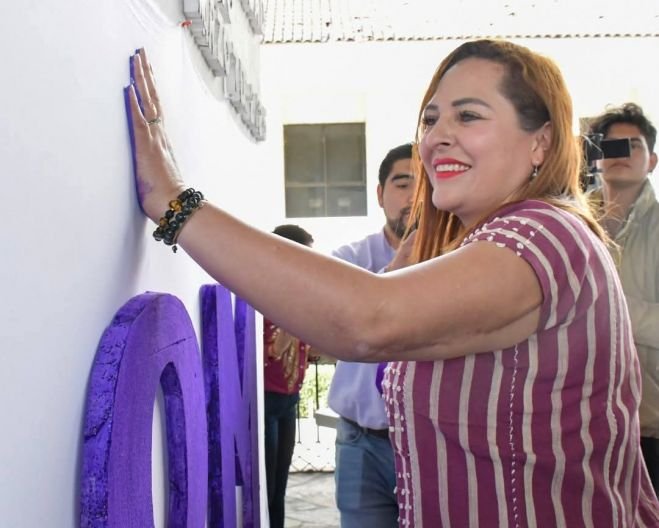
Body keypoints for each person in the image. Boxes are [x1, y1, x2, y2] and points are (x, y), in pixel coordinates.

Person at [125, 40, 659, 526]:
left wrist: (175, 204)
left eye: (468, 115)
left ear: (540, 142)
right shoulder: (480, 243)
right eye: (430, 120)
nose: (437, 137)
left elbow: (366, 320)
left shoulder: (541, 233)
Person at [328, 143, 414, 528]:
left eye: (426, 184)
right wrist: (402, 265)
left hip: (431, 444)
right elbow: (336, 324)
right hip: (361, 442)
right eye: (402, 183)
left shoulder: (462, 258)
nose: (415, 197)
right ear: (380, 195)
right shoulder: (349, 259)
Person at [588, 103, 659, 497]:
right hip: (584, 424)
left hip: (651, 423)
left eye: (632, 146)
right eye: (609, 147)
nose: (621, 155)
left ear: (652, 161)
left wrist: (614, 311)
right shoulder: (572, 222)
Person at [263, 224, 315, 528]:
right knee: (268, 487)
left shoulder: (297, 296)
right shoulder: (265, 293)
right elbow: (271, 350)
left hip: (289, 401)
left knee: (280, 488)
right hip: (267, 401)